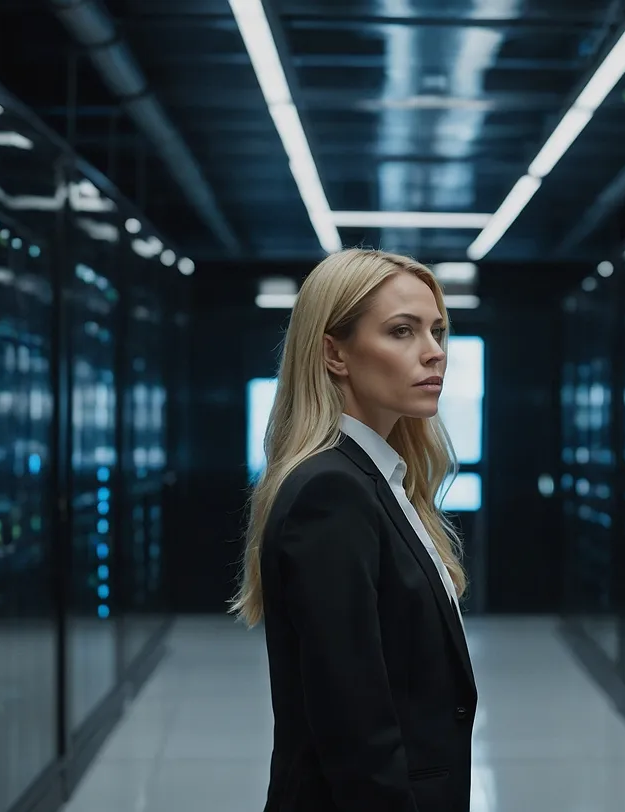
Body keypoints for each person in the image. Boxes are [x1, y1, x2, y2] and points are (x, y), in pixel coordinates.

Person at [231, 248, 478, 812]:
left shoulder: (378, 477)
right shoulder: (332, 492)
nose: (434, 351)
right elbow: (355, 729)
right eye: (402, 331)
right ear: (334, 353)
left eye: (437, 331)